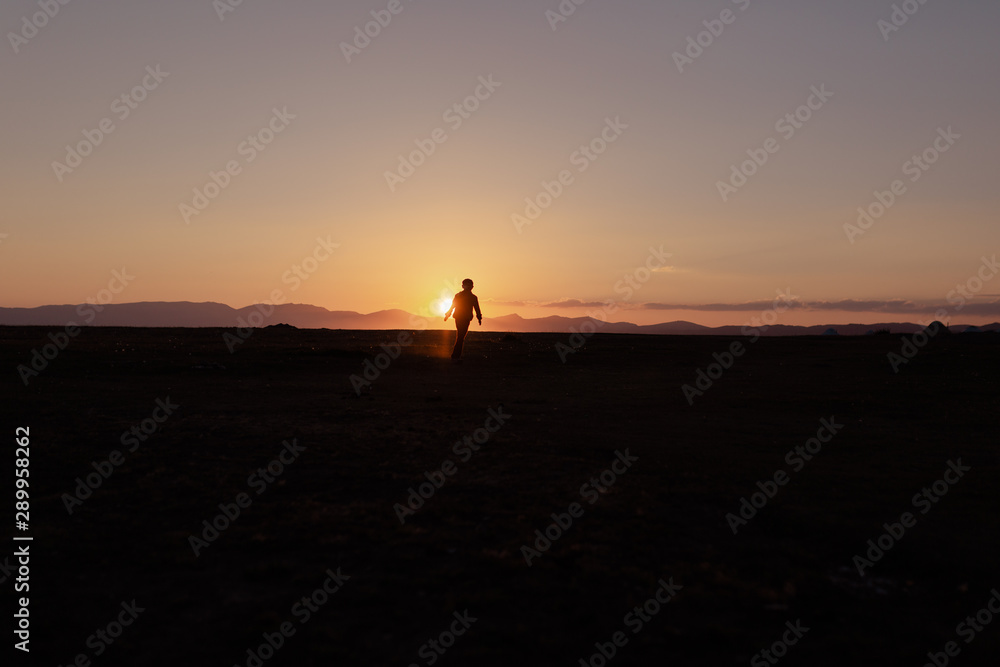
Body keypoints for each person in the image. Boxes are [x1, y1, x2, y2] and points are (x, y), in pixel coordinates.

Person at [443, 279, 482, 361]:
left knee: (460, 336)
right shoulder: (471, 297)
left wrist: (448, 314)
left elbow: (452, 306)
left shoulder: (461, 296)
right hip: (463, 318)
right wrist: (479, 318)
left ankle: (456, 356)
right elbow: (453, 306)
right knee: (461, 336)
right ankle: (455, 356)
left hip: (461, 318)